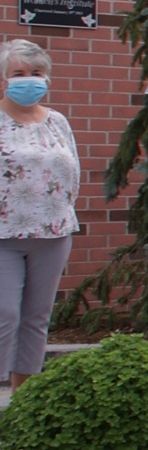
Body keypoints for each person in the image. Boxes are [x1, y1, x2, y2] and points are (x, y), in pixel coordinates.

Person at [0, 40, 79, 389]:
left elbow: (71, 171)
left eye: (36, 73)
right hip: (4, 235)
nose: (28, 80)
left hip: (53, 232)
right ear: (4, 78)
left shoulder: (58, 122)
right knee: (5, 315)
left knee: (36, 318)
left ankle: (24, 399)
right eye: (18, 73)